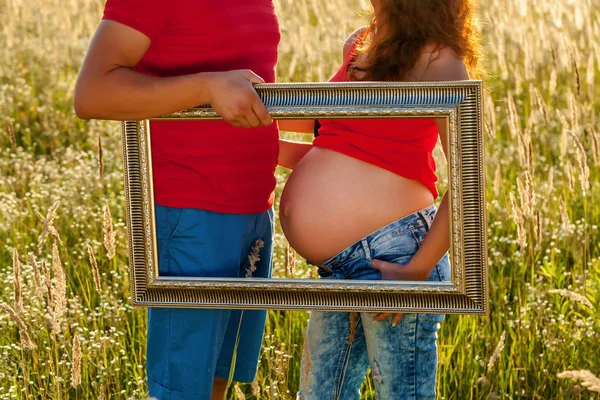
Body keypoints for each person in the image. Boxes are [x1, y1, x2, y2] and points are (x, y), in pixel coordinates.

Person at [74, 1, 281, 399]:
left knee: (219, 378)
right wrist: (205, 87)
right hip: (191, 213)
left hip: (255, 207)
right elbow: (92, 94)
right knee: (184, 391)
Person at [277, 0, 481, 398]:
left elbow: (469, 177)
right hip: (339, 267)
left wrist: (418, 270)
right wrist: (254, 128)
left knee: (402, 394)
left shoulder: (438, 60)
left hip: (396, 256)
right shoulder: (361, 45)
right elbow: (338, 144)